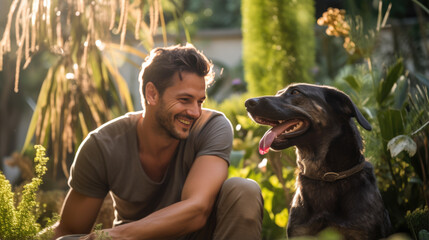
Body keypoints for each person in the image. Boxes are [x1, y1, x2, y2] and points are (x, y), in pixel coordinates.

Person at [52, 44, 263, 240]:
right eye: (184, 100)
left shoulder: (211, 127)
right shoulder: (102, 146)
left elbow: (197, 210)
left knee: (243, 189)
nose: (195, 112)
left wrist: (110, 237)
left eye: (200, 101)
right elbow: (70, 230)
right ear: (152, 94)